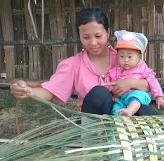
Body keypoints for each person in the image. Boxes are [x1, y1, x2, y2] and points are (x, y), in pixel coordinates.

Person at [10, 8, 153, 116]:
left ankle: (138, 146)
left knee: (143, 108)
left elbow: (150, 84)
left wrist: (131, 83)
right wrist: (27, 92)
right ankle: (98, 143)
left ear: (108, 32)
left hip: (124, 117)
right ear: (79, 36)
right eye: (86, 37)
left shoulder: (125, 57)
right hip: (94, 124)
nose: (93, 43)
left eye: (98, 36)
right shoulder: (73, 65)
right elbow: (48, 92)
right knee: (100, 94)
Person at [108, 30, 164, 116]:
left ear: (138, 57)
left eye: (130, 56)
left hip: (138, 95)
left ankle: (130, 110)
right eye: (122, 56)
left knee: (136, 97)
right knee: (116, 109)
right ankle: (119, 122)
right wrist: (112, 94)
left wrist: (158, 96)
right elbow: (110, 83)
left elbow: (152, 81)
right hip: (122, 98)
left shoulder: (142, 68)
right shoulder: (116, 70)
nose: (126, 60)